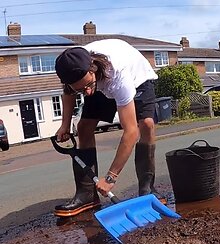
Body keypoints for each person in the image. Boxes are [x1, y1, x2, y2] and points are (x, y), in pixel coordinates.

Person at [53, 39, 158, 217]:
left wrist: (111, 177)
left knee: (146, 124)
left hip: (138, 78)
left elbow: (131, 132)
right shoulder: (71, 69)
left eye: (86, 86)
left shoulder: (117, 75)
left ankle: (147, 188)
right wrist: (64, 125)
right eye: (80, 89)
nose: (86, 92)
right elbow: (69, 93)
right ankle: (86, 195)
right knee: (84, 127)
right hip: (97, 82)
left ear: (92, 68)